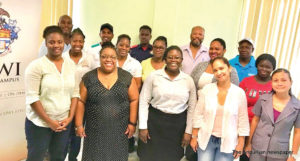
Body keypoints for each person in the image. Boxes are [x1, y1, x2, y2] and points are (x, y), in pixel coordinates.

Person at [75, 42, 139, 161]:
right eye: (104, 56)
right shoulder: (89, 77)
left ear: (116, 58)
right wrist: (78, 125)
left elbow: (134, 100)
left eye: (112, 57)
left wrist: (132, 123)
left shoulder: (126, 77)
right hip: (95, 130)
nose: (108, 59)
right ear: (99, 58)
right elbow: (81, 102)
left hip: (119, 130)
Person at [25, 26, 79, 161]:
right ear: (45, 43)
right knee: (36, 157)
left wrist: (70, 118)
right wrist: (50, 122)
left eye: (59, 42)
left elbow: (75, 93)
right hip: (39, 124)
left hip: (63, 124)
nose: (56, 45)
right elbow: (32, 98)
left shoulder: (71, 65)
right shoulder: (36, 66)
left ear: (64, 42)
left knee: (58, 157)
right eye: (52, 42)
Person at [138, 46, 197, 161]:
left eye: (177, 58)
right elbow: (144, 101)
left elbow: (192, 108)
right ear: (165, 59)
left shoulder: (188, 80)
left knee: (172, 156)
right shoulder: (154, 76)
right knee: (149, 156)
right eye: (170, 57)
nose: (173, 60)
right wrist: (142, 127)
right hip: (154, 122)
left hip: (177, 125)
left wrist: (188, 131)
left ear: (181, 60)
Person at [190, 57, 249, 161]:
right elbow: (198, 114)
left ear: (229, 68)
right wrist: (194, 137)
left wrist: (241, 143)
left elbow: (243, 119)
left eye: (221, 68)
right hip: (206, 140)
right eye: (215, 70)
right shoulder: (207, 89)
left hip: (228, 141)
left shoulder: (239, 93)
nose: (219, 72)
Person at [245, 68, 300, 161]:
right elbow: (255, 120)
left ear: (291, 82)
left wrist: (293, 155)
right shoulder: (263, 99)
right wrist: (248, 143)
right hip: (257, 148)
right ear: (271, 83)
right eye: (275, 80)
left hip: (279, 152)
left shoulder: (297, 106)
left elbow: (298, 132)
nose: (279, 83)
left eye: (283, 80)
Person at [62, 28, 97, 161]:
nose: (78, 44)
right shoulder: (63, 57)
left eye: (80, 41)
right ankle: (60, 156)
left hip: (82, 101)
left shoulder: (89, 58)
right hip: (65, 101)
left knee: (77, 131)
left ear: (84, 42)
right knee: (64, 132)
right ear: (70, 41)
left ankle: (73, 158)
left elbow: (96, 75)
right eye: (75, 40)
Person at [238, 53, 276, 161]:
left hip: (263, 128)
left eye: (268, 67)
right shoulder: (246, 81)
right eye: (261, 66)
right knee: (243, 155)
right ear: (256, 65)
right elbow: (238, 102)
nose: (264, 69)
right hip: (243, 125)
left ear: (273, 68)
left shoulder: (275, 85)